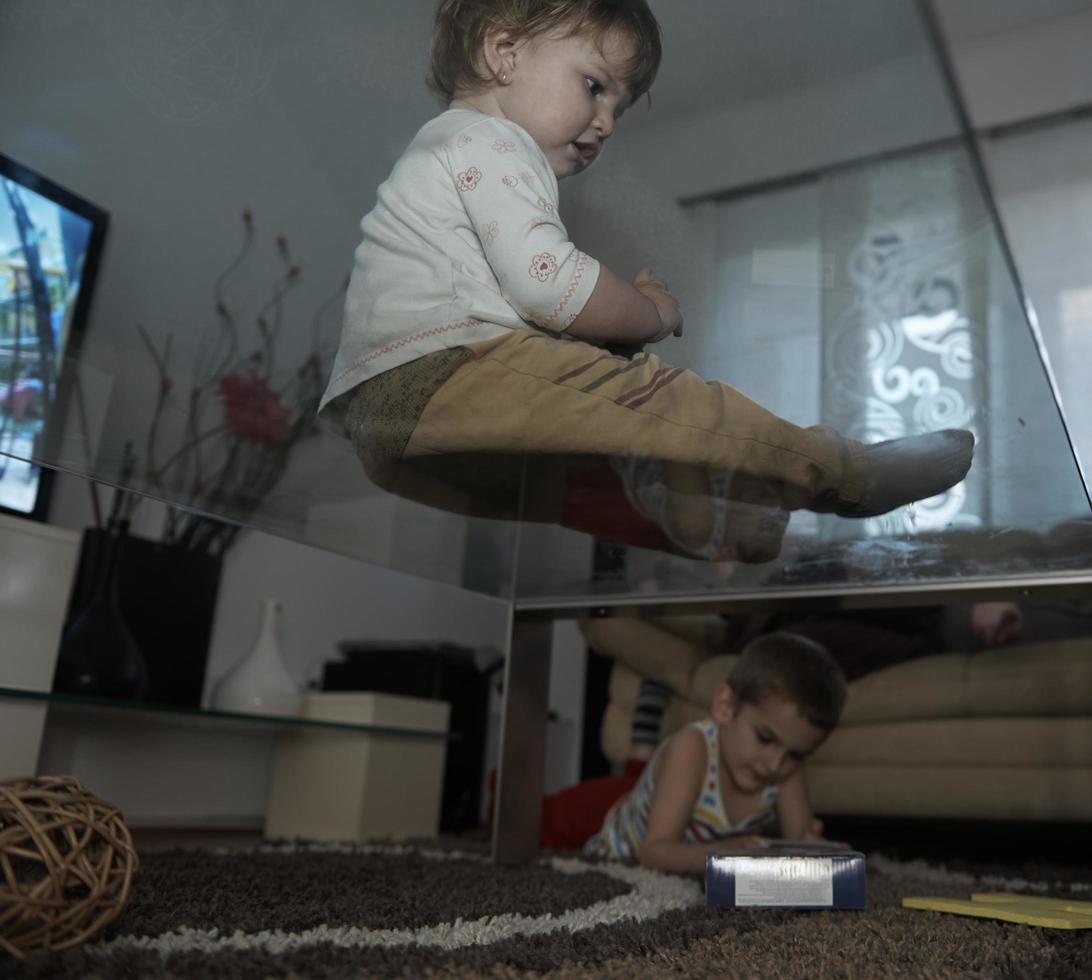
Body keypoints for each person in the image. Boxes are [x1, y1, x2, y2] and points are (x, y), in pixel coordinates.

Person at [319, 0, 975, 562]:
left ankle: (724, 530)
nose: (605, 122)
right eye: (595, 86)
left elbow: (515, 303)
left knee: (580, 484)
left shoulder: (443, 147)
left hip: (383, 422)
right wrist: (649, 312)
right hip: (445, 371)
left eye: (620, 109)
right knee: (664, 403)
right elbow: (550, 284)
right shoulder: (492, 143)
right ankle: (847, 472)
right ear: (504, 51)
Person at [574, 631, 845, 874]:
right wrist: (722, 855)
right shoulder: (692, 748)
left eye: (796, 754)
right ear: (725, 705)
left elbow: (798, 842)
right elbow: (654, 852)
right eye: (765, 738)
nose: (775, 765)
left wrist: (818, 849)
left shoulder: (787, 768)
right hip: (616, 859)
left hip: (693, 862)